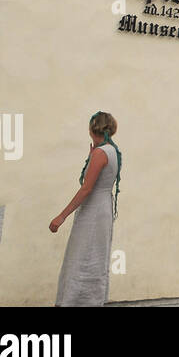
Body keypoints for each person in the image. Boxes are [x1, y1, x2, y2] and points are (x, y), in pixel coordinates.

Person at [52, 111, 122, 306]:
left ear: (93, 129)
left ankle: (75, 302)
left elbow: (86, 189)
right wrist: (92, 156)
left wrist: (62, 216)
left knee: (81, 257)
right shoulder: (111, 150)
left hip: (93, 210)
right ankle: (90, 300)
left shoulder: (101, 153)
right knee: (94, 258)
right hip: (102, 209)